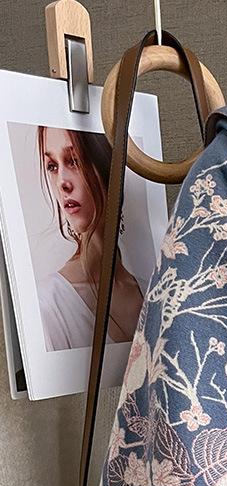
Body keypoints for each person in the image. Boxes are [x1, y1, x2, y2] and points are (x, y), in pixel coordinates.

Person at [35, 126, 143, 352]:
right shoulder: (48, 303)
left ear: (105, 164)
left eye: (74, 161)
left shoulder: (149, 288)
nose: (62, 182)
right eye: (52, 166)